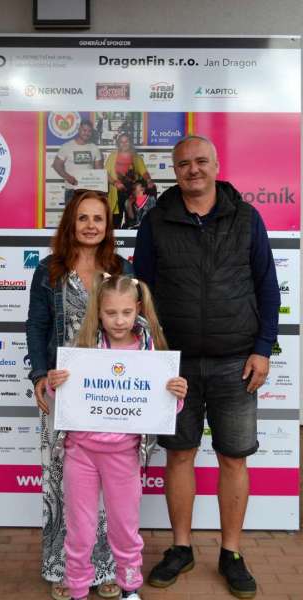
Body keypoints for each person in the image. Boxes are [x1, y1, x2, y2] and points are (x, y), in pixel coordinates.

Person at [133, 135, 280, 600]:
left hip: (236, 362)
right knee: (179, 455)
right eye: (183, 164)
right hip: (173, 365)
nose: (192, 169)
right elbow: (142, 291)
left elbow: (268, 288)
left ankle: (231, 552)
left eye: (200, 161)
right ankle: (181, 548)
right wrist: (149, 352)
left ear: (216, 165)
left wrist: (262, 349)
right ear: (174, 171)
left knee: (233, 457)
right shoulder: (155, 221)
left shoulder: (247, 218)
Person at [46, 274, 188, 600]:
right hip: (80, 453)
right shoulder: (83, 350)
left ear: (138, 308)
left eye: (126, 312)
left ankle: (129, 588)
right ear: (98, 311)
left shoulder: (151, 351)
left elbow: (163, 406)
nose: (119, 320)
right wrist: (56, 384)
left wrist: (177, 394)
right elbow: (64, 399)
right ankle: (78, 590)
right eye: (111, 313)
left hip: (124, 455)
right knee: (80, 531)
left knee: (125, 528)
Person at [26, 189, 133, 600]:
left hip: (112, 394)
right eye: (83, 217)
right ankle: (64, 569)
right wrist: (39, 374)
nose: (90, 225)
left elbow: (138, 325)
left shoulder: (121, 268)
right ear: (71, 221)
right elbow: (37, 325)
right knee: (62, 486)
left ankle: (106, 569)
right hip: (63, 393)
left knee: (111, 488)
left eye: (98, 219)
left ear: (108, 226)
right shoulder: (48, 270)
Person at [105, 133, 154, 229]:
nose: (124, 144)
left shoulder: (136, 157)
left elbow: (144, 171)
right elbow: (105, 173)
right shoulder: (112, 156)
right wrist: (115, 183)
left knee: (131, 220)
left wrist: (148, 180)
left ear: (130, 142)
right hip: (116, 192)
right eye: (121, 142)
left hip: (131, 192)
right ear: (118, 143)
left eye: (126, 141)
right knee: (115, 221)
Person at [52, 120, 103, 206]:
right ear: (79, 130)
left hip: (88, 190)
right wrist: (68, 177)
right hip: (72, 190)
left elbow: (99, 170)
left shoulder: (94, 148)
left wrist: (99, 187)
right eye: (84, 130)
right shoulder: (67, 146)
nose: (86, 133)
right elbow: (56, 165)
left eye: (89, 131)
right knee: (71, 215)